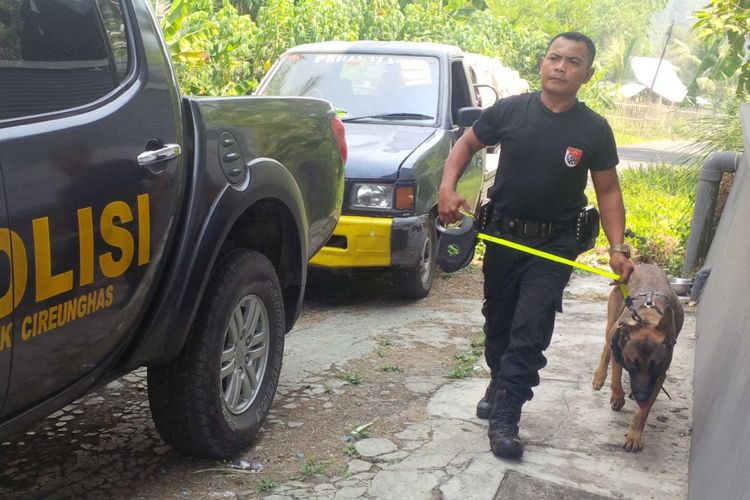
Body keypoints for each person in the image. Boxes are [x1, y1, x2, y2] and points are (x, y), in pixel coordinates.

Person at [437, 32, 634, 460]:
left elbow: (609, 192)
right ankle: (498, 379)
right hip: (503, 238)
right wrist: (447, 187)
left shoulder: (594, 129)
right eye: (554, 58)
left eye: (573, 62)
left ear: (589, 73)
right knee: (499, 324)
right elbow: (466, 144)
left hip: (555, 245)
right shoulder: (510, 111)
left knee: (530, 329)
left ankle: (507, 415)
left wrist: (618, 246)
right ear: (542, 63)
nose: (560, 67)